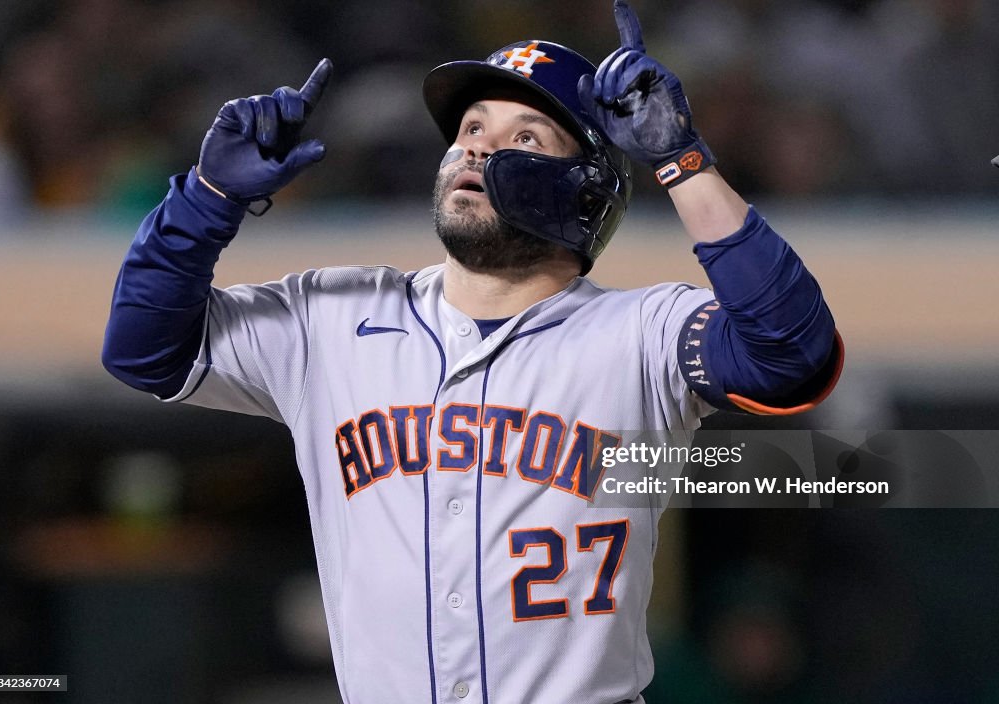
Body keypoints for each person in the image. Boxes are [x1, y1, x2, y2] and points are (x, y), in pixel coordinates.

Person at [102, 1, 842, 701]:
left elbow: (791, 352)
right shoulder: (332, 315)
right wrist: (203, 198)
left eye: (523, 137)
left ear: (583, 189)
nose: (478, 144)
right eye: (471, 127)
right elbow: (145, 350)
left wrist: (682, 160)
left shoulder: (642, 333)